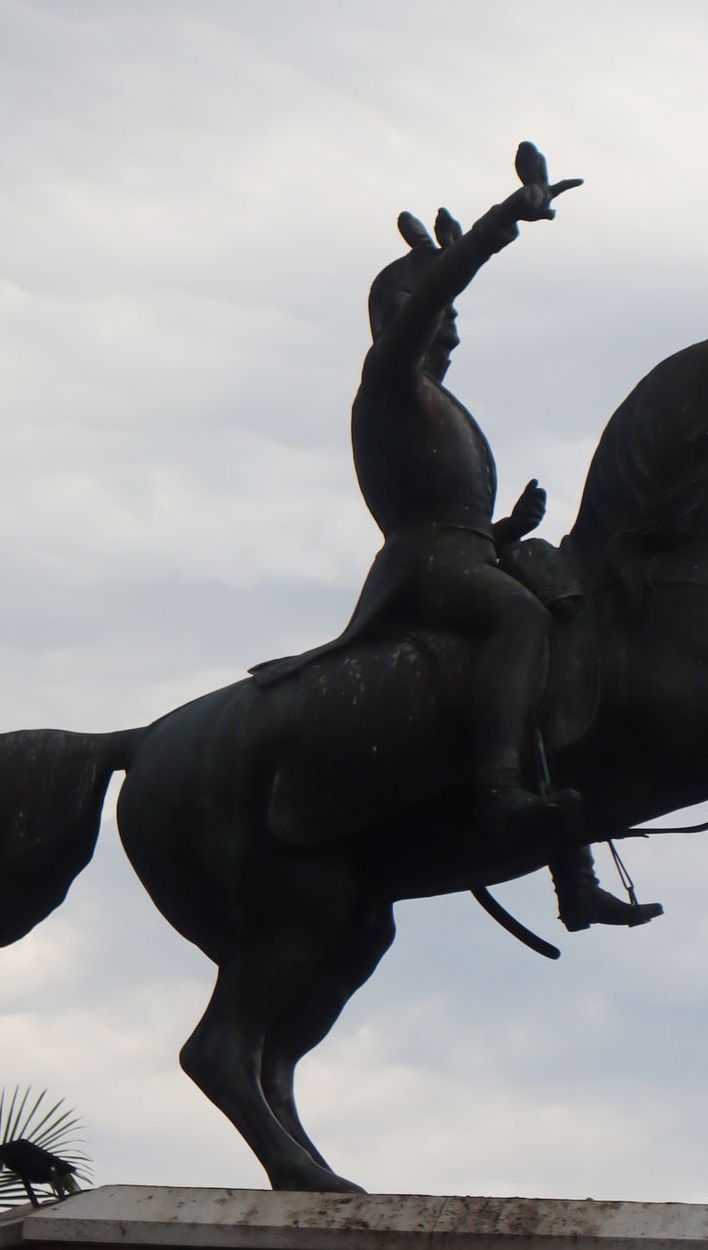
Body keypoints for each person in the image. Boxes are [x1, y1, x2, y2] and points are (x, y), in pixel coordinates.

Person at [254, 143, 659, 930]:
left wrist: (511, 529)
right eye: (443, 315)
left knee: (570, 623)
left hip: (468, 550)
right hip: (426, 561)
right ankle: (500, 787)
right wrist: (503, 221)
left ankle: (571, 875)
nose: (454, 333)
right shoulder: (390, 379)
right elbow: (430, 515)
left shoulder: (438, 402)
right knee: (522, 618)